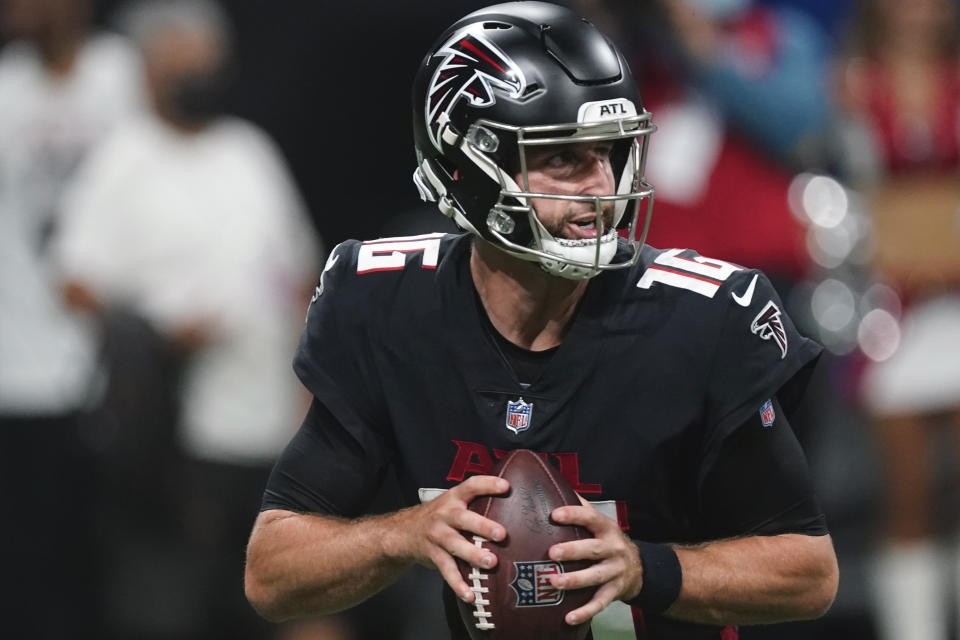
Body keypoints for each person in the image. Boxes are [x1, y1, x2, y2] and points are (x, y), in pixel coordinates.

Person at [244, 3, 838, 639]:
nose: (602, 188)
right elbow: (272, 573)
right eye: (563, 159)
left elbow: (810, 571)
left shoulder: (701, 320)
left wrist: (645, 568)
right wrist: (402, 535)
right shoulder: (387, 308)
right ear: (468, 165)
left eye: (611, 154)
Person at [51, 1, 322, 637]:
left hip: (269, 427)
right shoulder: (125, 158)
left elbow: (302, 272)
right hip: (175, 439)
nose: (198, 68)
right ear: (148, 68)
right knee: (172, 606)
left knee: (292, 602)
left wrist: (310, 386)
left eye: (206, 55)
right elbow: (76, 281)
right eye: (181, 55)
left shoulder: (249, 151)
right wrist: (154, 334)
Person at [0, 0, 144, 635]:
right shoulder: (6, 87)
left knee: (115, 562)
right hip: (17, 363)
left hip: (119, 363)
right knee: (27, 564)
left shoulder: (123, 74)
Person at [832, 0, 960, 638]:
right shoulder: (850, 82)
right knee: (907, 490)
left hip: (959, 305)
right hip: (891, 308)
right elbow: (839, 188)